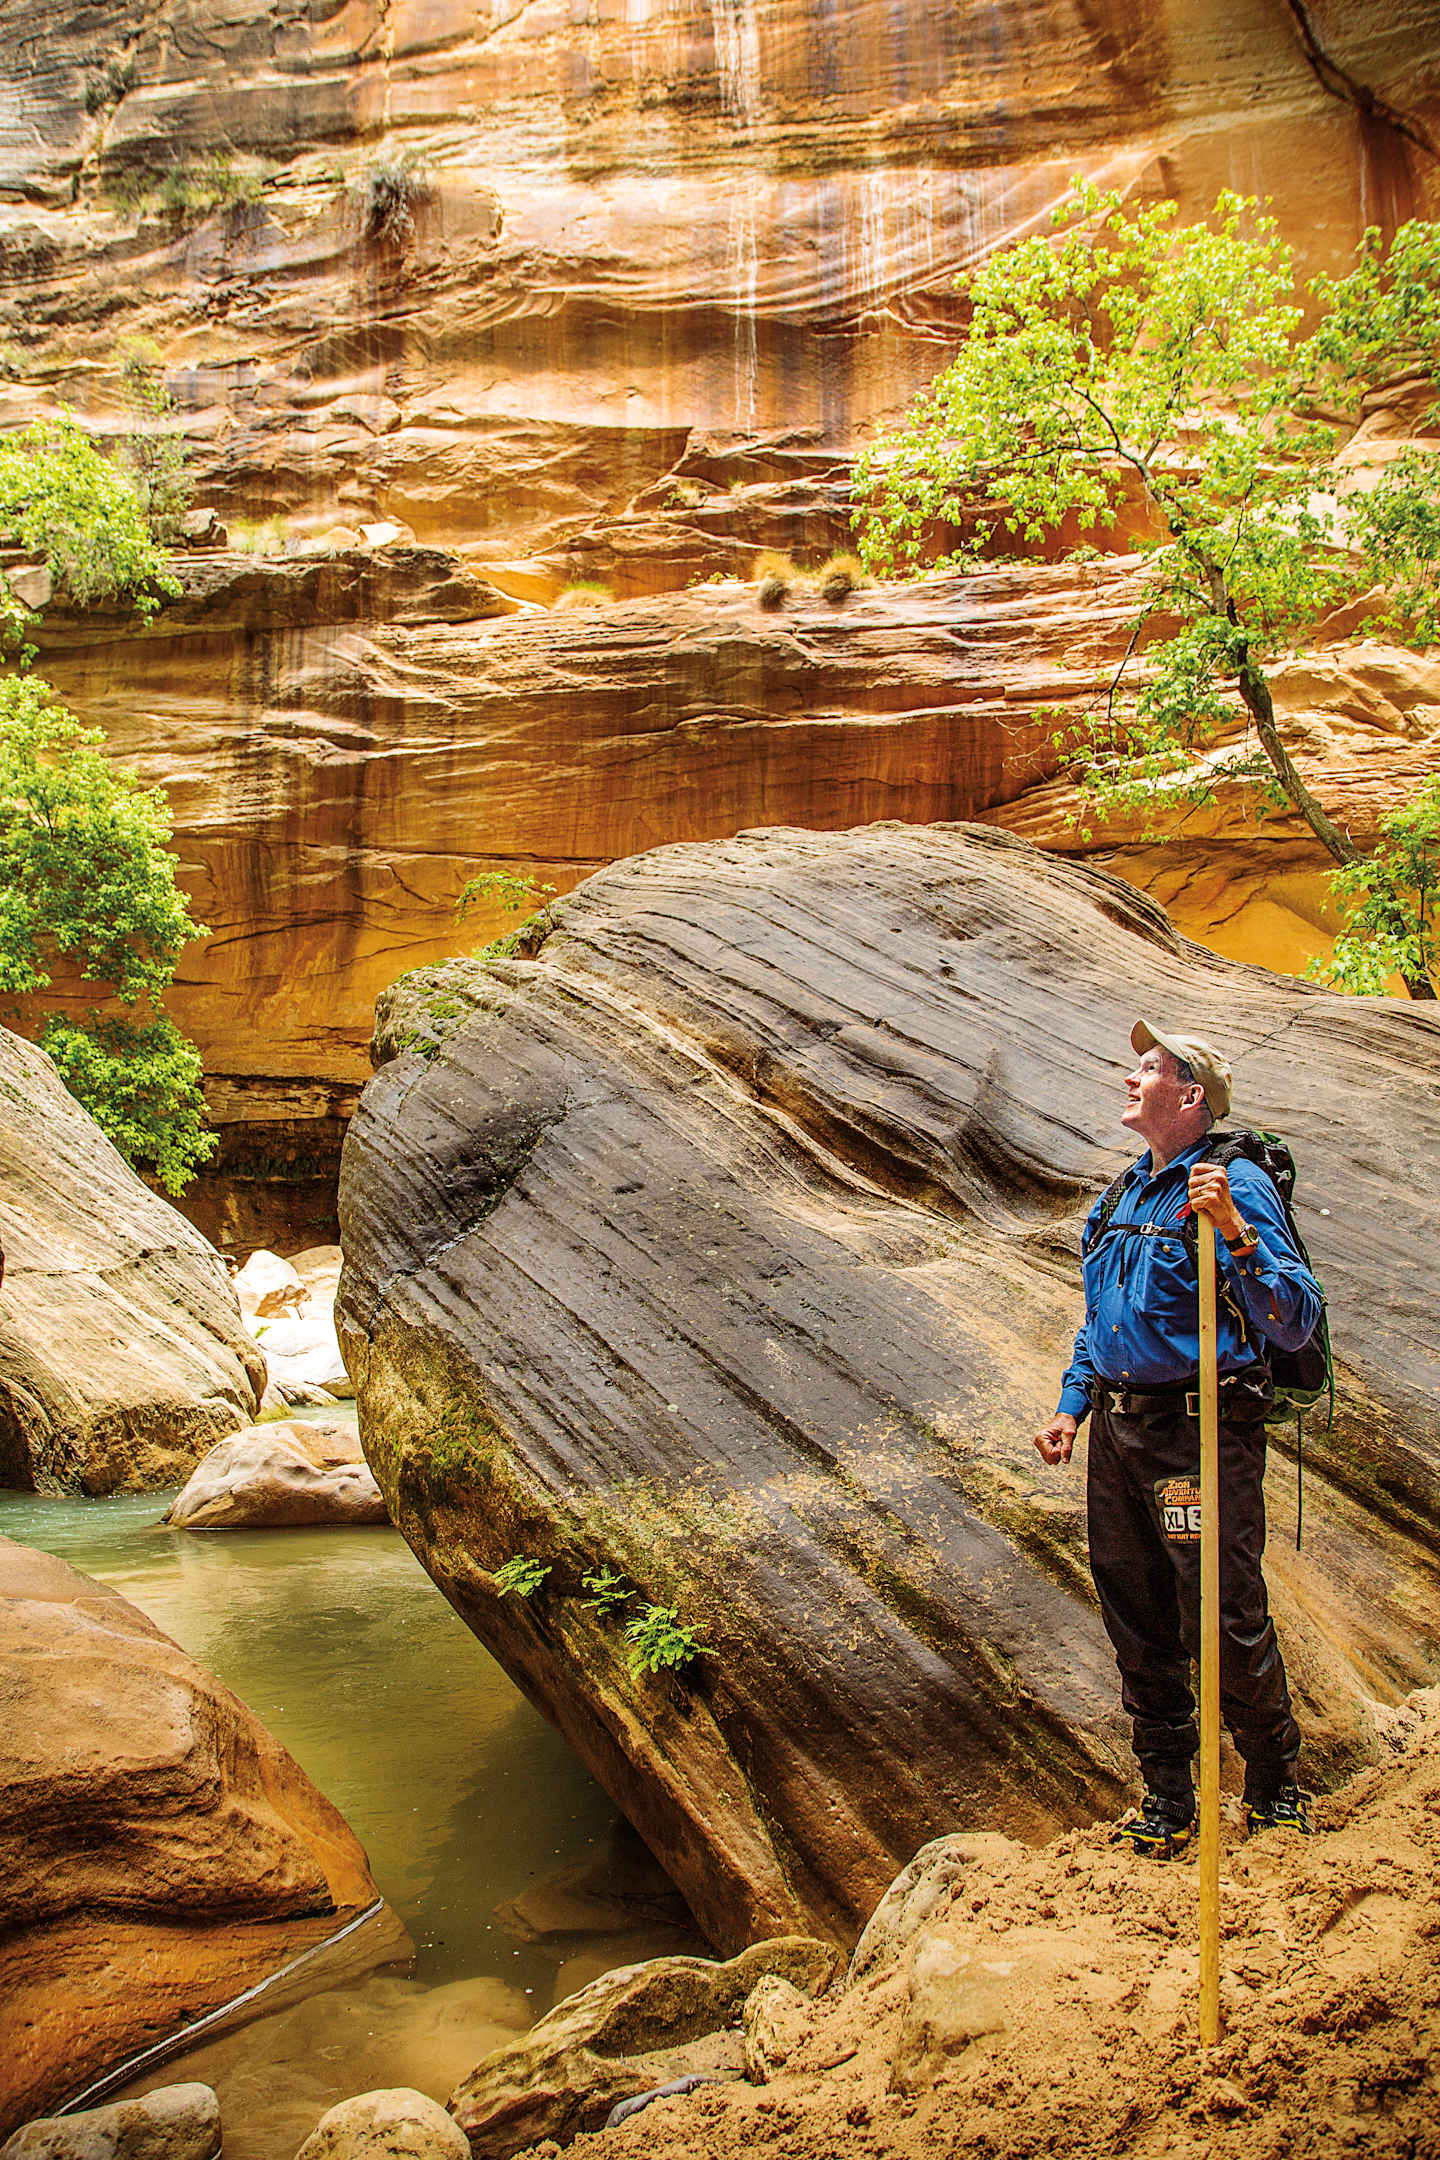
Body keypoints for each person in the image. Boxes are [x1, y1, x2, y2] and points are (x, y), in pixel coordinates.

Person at [1033, 1021, 1323, 1858]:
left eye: (1150, 1068)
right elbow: (1102, 1321)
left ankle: (1273, 1793)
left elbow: (1294, 1316)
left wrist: (1233, 1229)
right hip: (1120, 1442)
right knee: (1136, 1617)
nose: (1132, 1077)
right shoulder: (1122, 1195)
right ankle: (1169, 1799)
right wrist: (1072, 1405)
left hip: (1197, 1449)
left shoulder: (1231, 1182)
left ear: (1191, 1096)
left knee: (1220, 1618)